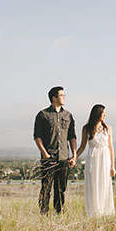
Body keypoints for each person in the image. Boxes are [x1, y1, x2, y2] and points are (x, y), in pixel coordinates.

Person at [33, 86, 77, 214]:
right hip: (49, 157)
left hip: (64, 157)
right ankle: (44, 213)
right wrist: (45, 154)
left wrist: (74, 155)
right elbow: (37, 136)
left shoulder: (68, 115)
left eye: (64, 95)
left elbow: (72, 136)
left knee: (61, 188)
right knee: (46, 187)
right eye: (61, 95)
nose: (64, 97)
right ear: (54, 98)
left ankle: (59, 212)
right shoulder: (43, 115)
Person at [76, 104, 115, 217]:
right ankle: (94, 212)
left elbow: (111, 147)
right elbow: (83, 146)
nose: (105, 115)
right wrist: (75, 157)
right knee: (93, 184)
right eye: (103, 112)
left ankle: (105, 211)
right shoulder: (86, 128)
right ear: (97, 113)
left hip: (105, 158)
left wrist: (113, 166)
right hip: (93, 158)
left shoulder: (108, 128)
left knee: (104, 183)